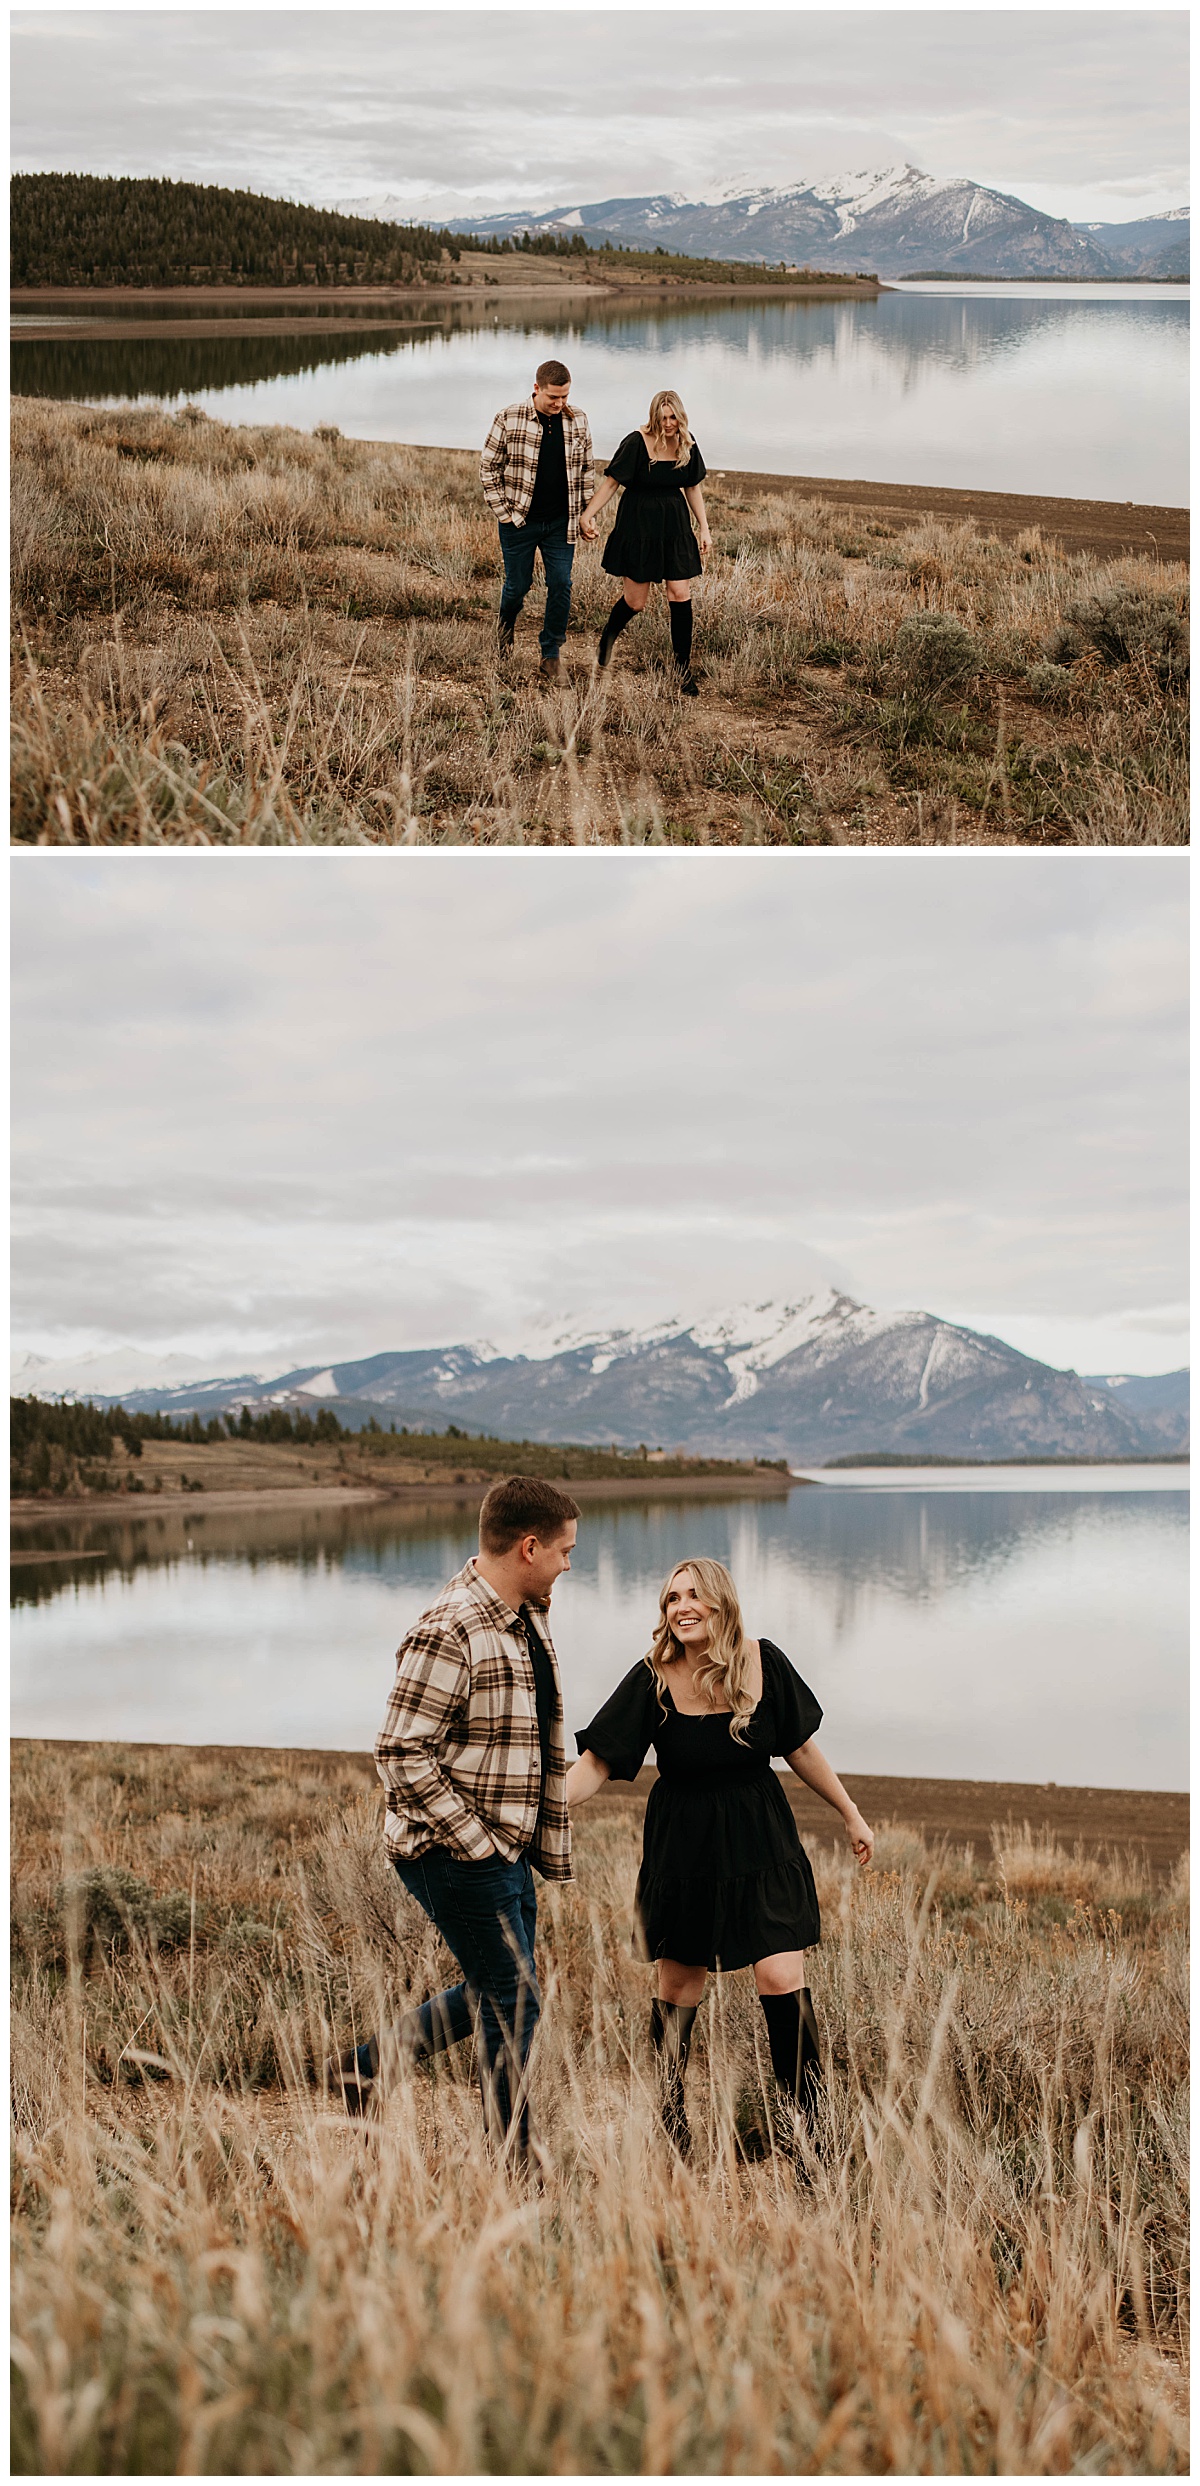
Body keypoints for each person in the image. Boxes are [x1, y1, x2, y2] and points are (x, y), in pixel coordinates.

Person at [565, 1557, 873, 2158]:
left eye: (692, 1596)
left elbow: (801, 1748)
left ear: (720, 1603)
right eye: (671, 1599)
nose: (680, 1608)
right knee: (679, 1984)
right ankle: (669, 2126)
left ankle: (810, 2134)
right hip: (682, 1845)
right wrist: (548, 1803)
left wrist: (850, 1811)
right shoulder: (654, 1676)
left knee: (780, 1974)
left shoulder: (764, 1662)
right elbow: (599, 1762)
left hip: (759, 1837)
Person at [329, 1474, 581, 2162]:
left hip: (504, 1845)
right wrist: (475, 1845)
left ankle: (367, 2066)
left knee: (500, 1985)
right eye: (564, 1551)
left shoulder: (522, 1613)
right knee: (514, 1996)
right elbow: (399, 1751)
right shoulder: (450, 1628)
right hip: (454, 1851)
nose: (567, 1563)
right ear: (529, 1547)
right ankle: (513, 2160)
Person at [578, 389, 712, 697]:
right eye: (663, 417)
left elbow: (692, 488)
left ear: (680, 416)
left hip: (674, 525)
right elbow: (612, 482)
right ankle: (608, 638)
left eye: (673, 417)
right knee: (636, 601)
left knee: (679, 592)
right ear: (654, 416)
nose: (668, 424)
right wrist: (588, 515)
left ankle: (682, 670)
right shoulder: (636, 442)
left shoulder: (686, 442)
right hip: (638, 525)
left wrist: (704, 528)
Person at [480, 360, 595, 684]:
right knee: (518, 587)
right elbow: (488, 468)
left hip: (562, 523)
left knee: (561, 584)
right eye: (553, 398)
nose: (559, 404)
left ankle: (551, 654)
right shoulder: (509, 417)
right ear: (536, 389)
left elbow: (587, 470)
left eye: (565, 397)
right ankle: (504, 635)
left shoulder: (579, 420)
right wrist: (506, 513)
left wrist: (586, 514)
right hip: (519, 521)